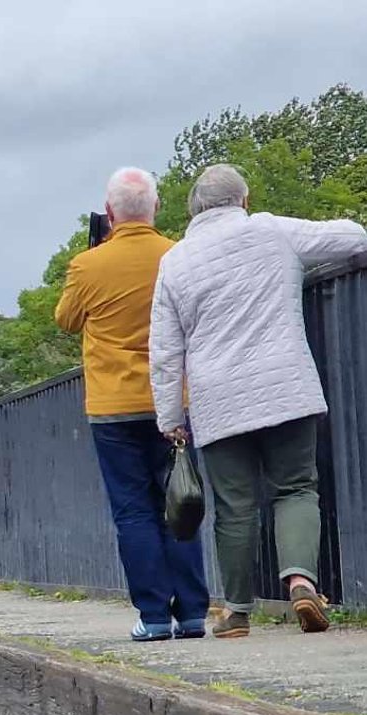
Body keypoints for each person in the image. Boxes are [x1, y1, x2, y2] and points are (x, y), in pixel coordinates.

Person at [150, 163, 367, 637]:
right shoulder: (271, 231)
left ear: (193, 210)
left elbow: (165, 350)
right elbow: (354, 237)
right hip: (285, 386)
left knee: (235, 506)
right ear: (244, 200)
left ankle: (236, 613)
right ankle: (301, 583)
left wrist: (170, 416)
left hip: (218, 401)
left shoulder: (175, 261)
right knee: (296, 488)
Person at [55, 166, 210, 642]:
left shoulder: (88, 265)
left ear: (109, 213)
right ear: (156, 208)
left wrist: (94, 255)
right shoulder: (178, 255)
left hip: (113, 407)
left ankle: (154, 615)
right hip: (172, 402)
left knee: (134, 511)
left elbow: (66, 320)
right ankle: (193, 613)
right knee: (180, 503)